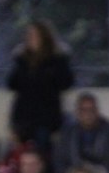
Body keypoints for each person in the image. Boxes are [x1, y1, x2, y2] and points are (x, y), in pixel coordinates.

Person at [5, 19, 74, 151]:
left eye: (34, 35)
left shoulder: (57, 59)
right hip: (23, 117)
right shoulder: (22, 60)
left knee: (41, 152)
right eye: (29, 35)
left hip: (45, 118)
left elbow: (66, 82)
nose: (30, 38)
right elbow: (12, 84)